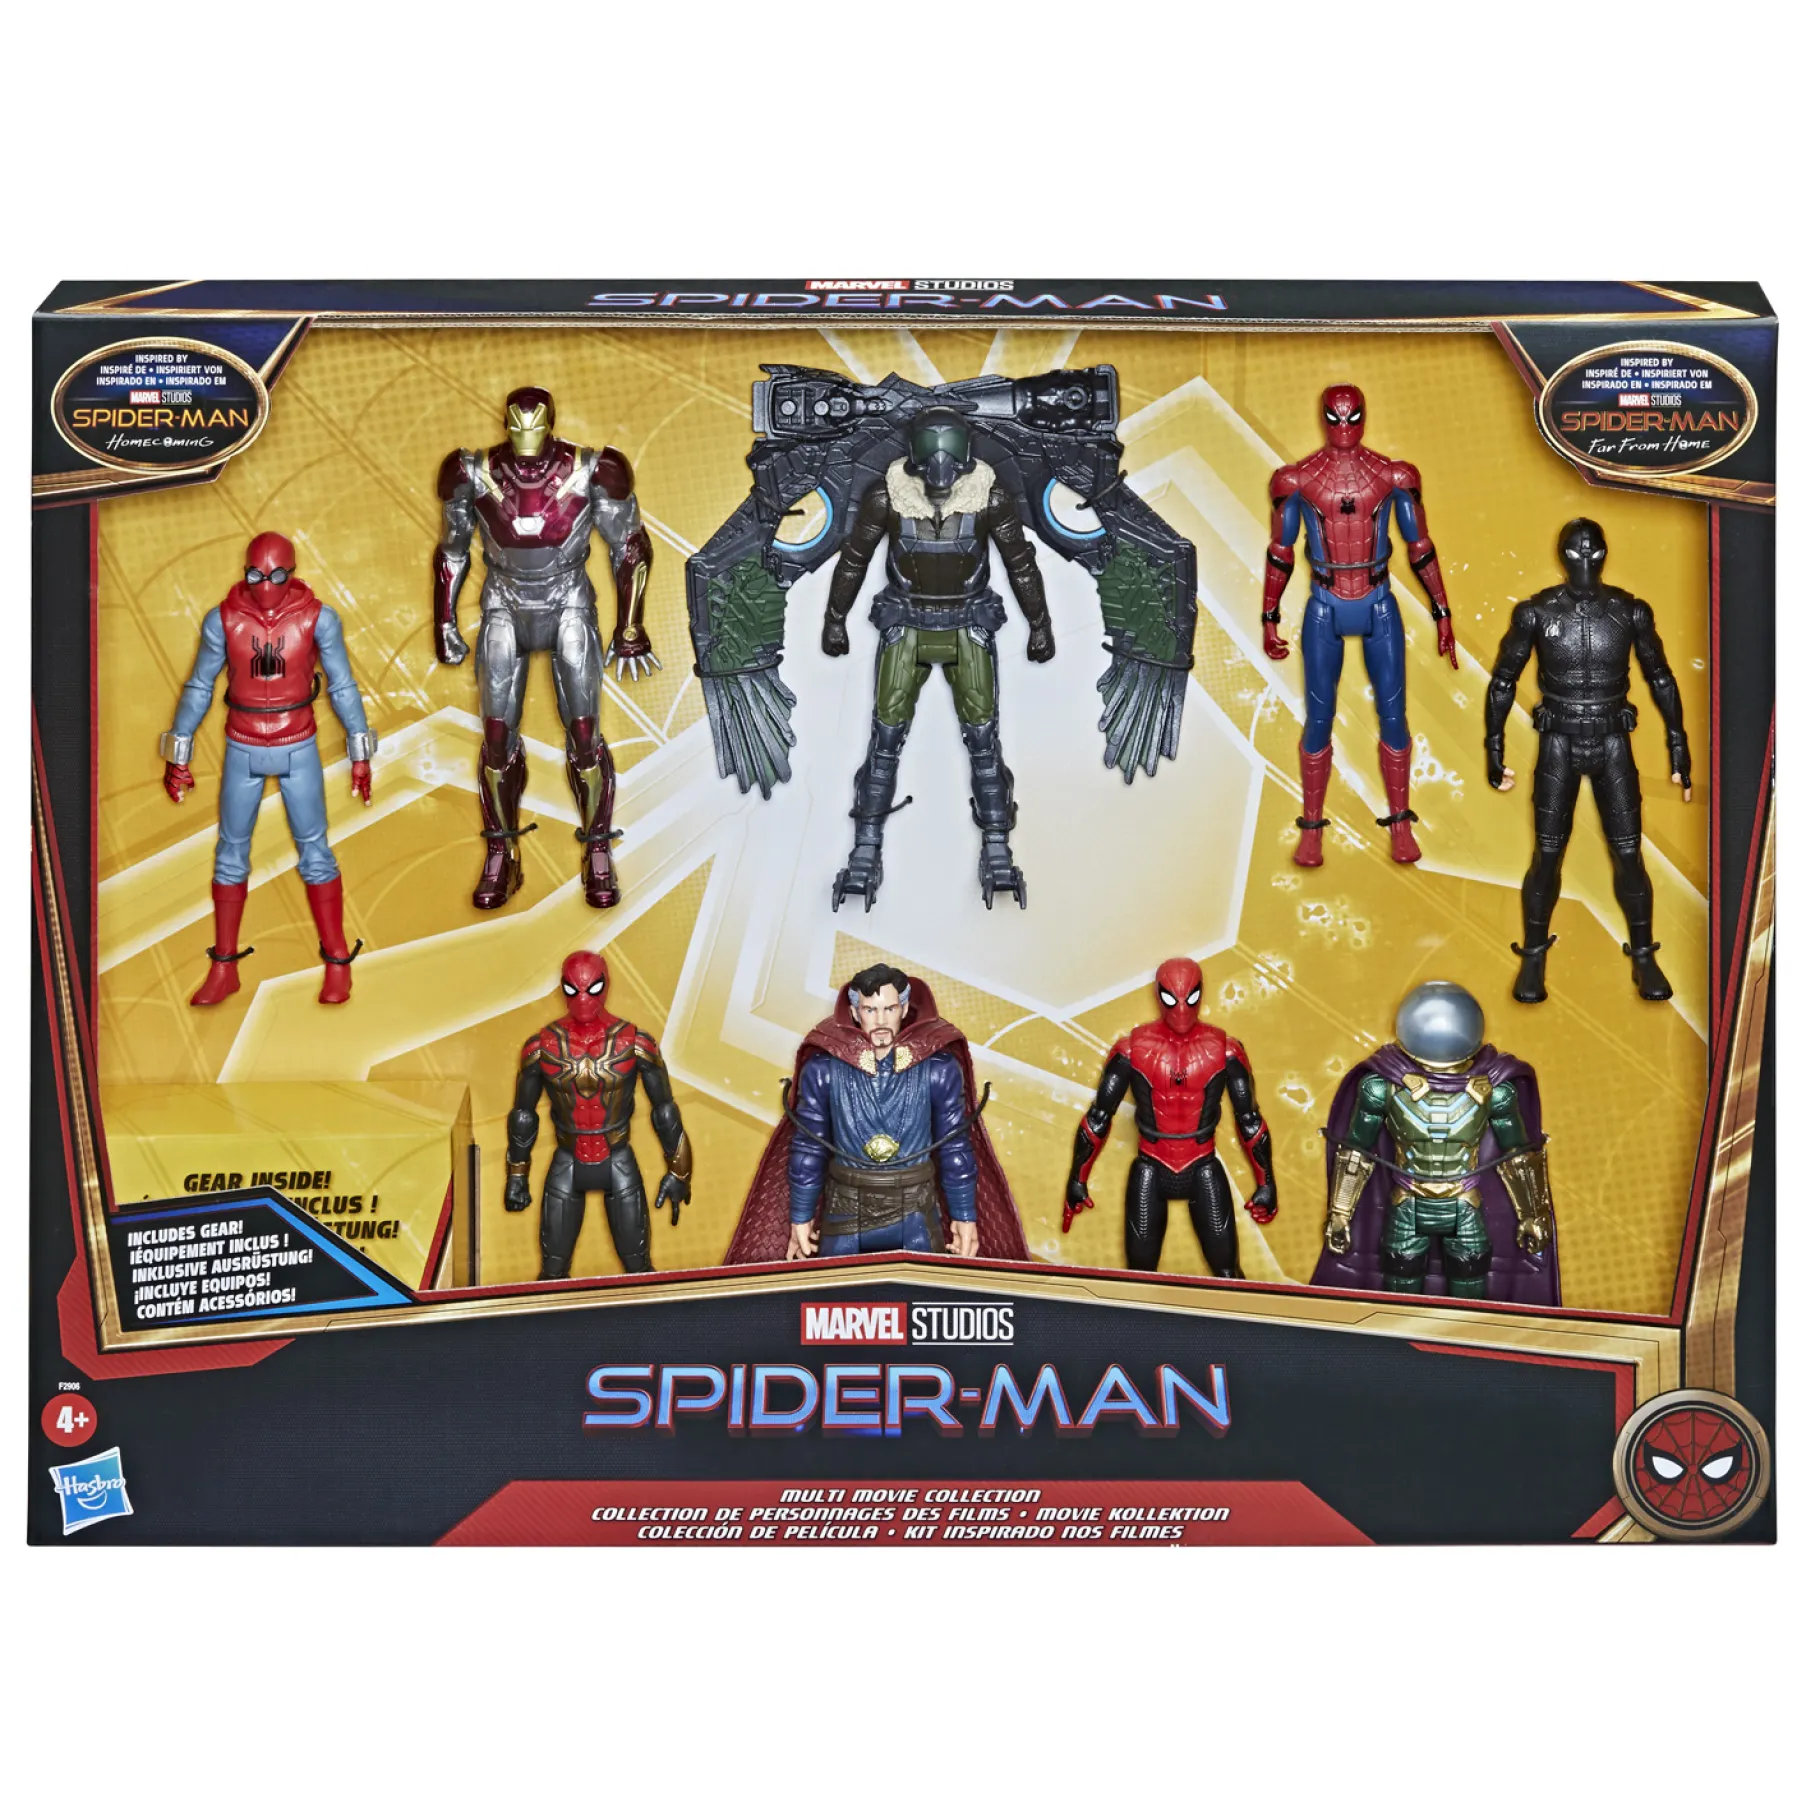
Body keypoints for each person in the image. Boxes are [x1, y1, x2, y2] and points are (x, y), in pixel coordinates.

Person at [433, 387, 657, 909]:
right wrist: (444, 619)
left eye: (532, 427)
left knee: (584, 733)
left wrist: (631, 625)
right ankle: (502, 851)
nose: (525, 438)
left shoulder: (593, 468)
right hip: (504, 601)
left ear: (550, 423)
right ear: (506, 424)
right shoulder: (471, 470)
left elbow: (630, 544)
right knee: (496, 737)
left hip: (567, 599)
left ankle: (597, 849)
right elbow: (451, 550)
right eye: (517, 427)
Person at [161, 532, 375, 1006]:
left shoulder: (318, 618)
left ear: (291, 574)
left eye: (276, 575)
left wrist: (360, 750)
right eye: (255, 575)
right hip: (243, 744)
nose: (265, 586)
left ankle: (337, 962)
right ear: (245, 573)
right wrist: (179, 748)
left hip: (298, 744)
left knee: (315, 854)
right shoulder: (223, 619)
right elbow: (200, 685)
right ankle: (224, 967)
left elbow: (342, 685)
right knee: (230, 855)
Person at [1486, 518, 1693, 1002]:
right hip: (1558, 741)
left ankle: (1644, 957)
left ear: (1605, 553)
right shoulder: (1535, 612)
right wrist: (1493, 747)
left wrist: (1678, 742)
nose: (1585, 559)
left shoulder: (1629, 610)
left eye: (1593, 551)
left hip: (1612, 741)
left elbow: (1661, 676)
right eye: (1576, 551)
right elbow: (1503, 680)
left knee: (1629, 853)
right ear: (1561, 554)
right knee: (1547, 853)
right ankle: (1533, 957)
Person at [1260, 384, 1456, 865]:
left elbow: (1420, 546)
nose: (1344, 426)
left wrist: (1442, 610)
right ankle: (1311, 829)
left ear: (1364, 417)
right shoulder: (1295, 480)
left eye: (1352, 417)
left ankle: (1401, 825)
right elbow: (1281, 551)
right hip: (1325, 603)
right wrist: (1269, 615)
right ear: (1324, 418)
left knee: (1394, 716)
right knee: (1319, 718)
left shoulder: (1393, 476)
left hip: (1377, 601)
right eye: (1336, 417)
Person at [723, 964, 1027, 1263]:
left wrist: (964, 1215)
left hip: (916, 1209)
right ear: (855, 1013)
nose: (880, 1020)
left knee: (920, 1291)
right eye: (870, 1009)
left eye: (889, 1009)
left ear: (904, 1009)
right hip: (845, 1208)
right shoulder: (823, 1070)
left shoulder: (939, 1069)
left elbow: (954, 1146)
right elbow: (809, 1148)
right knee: (838, 1292)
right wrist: (800, 1217)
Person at [506, 951, 691, 1279]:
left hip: (617, 1156)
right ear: (562, 987)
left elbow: (664, 1110)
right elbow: (523, 1114)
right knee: (552, 1272)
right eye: (572, 989)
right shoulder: (541, 1046)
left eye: (591, 988)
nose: (582, 998)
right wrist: (517, 1175)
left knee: (638, 1269)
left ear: (605, 985)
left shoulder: (635, 1042)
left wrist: (679, 1172)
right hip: (568, 1157)